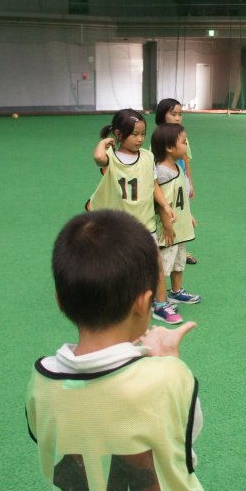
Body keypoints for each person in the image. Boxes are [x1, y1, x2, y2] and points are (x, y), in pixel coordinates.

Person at [26, 210, 232, 491]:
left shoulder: (42, 381)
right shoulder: (168, 377)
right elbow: (185, 450)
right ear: (145, 302)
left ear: (60, 301)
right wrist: (168, 359)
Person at [89, 109, 183, 325]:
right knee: (117, 267)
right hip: (119, 227)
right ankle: (115, 303)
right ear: (120, 134)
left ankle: (159, 305)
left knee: (156, 264)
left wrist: (165, 204)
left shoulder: (148, 157)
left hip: (145, 223)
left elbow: (153, 184)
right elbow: (98, 157)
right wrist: (104, 142)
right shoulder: (111, 157)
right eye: (135, 134)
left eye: (143, 134)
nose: (140, 139)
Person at [151, 122, 200, 306]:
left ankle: (176, 291)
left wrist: (189, 216)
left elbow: (180, 199)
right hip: (168, 230)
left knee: (179, 261)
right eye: (184, 142)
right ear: (170, 147)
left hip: (180, 227)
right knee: (164, 264)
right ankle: (159, 298)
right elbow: (163, 204)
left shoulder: (177, 168)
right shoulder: (162, 173)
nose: (187, 145)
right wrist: (168, 227)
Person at [156, 98, 198, 265]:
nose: (177, 118)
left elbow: (186, 159)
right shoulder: (160, 138)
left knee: (182, 211)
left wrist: (190, 182)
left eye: (180, 114)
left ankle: (181, 248)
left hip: (181, 179)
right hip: (168, 182)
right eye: (173, 114)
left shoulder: (182, 135)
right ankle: (167, 244)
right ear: (162, 116)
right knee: (168, 214)